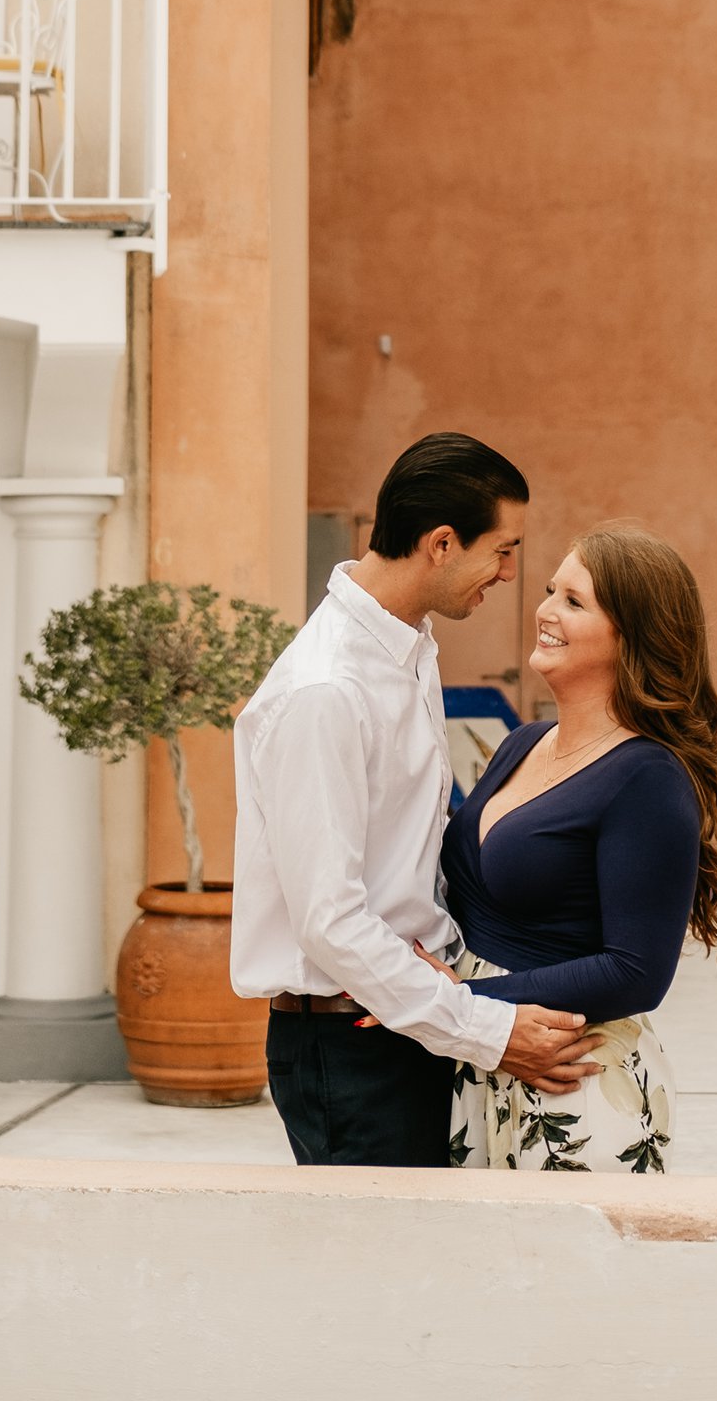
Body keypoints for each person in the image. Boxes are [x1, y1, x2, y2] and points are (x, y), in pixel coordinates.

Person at [231, 432, 601, 1168]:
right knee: (376, 1278)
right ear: (439, 544)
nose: (508, 573)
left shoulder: (406, 651)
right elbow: (330, 921)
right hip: (351, 1050)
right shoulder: (327, 691)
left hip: (407, 1021)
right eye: (501, 550)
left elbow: (405, 870)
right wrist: (489, 1032)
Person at [439, 525, 717, 1173]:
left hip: (575, 1087)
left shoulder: (647, 778)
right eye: (551, 591)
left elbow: (637, 971)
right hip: (490, 1060)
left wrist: (454, 1008)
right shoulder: (524, 744)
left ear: (631, 635)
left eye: (574, 601)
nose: (545, 610)